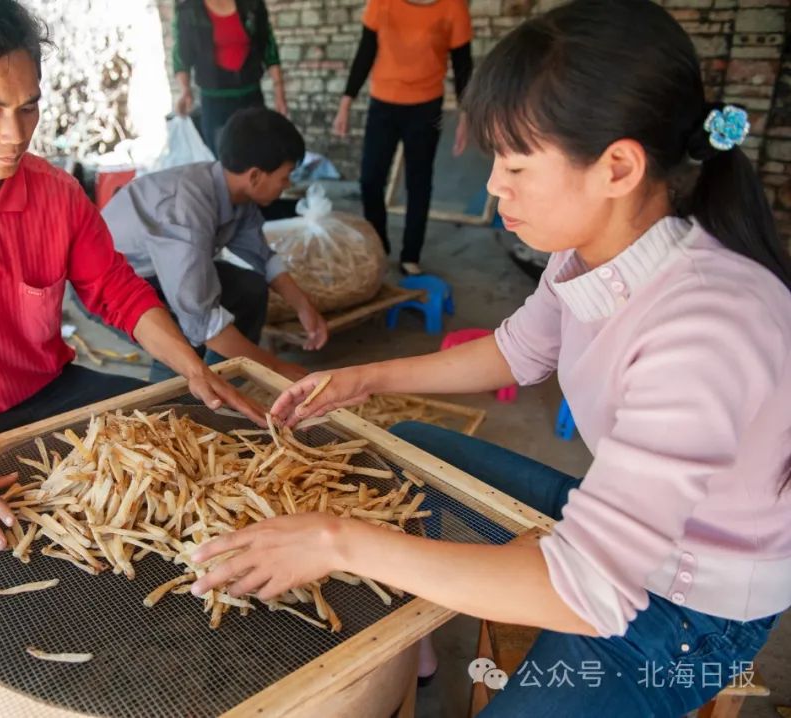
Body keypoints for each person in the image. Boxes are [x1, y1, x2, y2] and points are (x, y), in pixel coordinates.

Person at [191, 1, 791, 714]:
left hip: (688, 612)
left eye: (516, 162)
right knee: (406, 449)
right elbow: (520, 351)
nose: (493, 187)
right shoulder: (589, 249)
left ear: (618, 166)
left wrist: (337, 541)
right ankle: (408, 642)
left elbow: (591, 588)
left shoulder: (706, 326)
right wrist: (365, 377)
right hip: (626, 535)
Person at [0, 0, 262, 555]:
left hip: (58, 390)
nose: (16, 134)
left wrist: (191, 367)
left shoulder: (55, 193)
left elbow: (117, 291)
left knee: (187, 449)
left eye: (28, 108)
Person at [103, 107, 327, 383]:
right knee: (183, 339)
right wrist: (276, 368)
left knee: (250, 289)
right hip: (114, 284)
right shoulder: (185, 213)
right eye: (285, 176)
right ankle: (170, 409)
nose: (287, 184)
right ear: (255, 175)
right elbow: (201, 320)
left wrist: (304, 306)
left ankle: (230, 385)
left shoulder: (236, 193)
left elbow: (262, 256)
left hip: (164, 270)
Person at [333, 0, 473, 276]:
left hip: (426, 107)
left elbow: (463, 66)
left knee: (418, 184)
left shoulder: (452, 8)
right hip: (382, 105)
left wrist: (465, 117)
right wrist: (346, 102)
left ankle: (411, 254)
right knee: (370, 179)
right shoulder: (381, 3)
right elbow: (366, 51)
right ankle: (379, 244)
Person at [173, 0, 288, 155]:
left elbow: (268, 45)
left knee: (258, 155)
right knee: (224, 160)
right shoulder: (190, 10)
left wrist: (279, 90)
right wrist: (185, 90)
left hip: (251, 98)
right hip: (215, 103)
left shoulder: (252, 5)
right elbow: (181, 55)